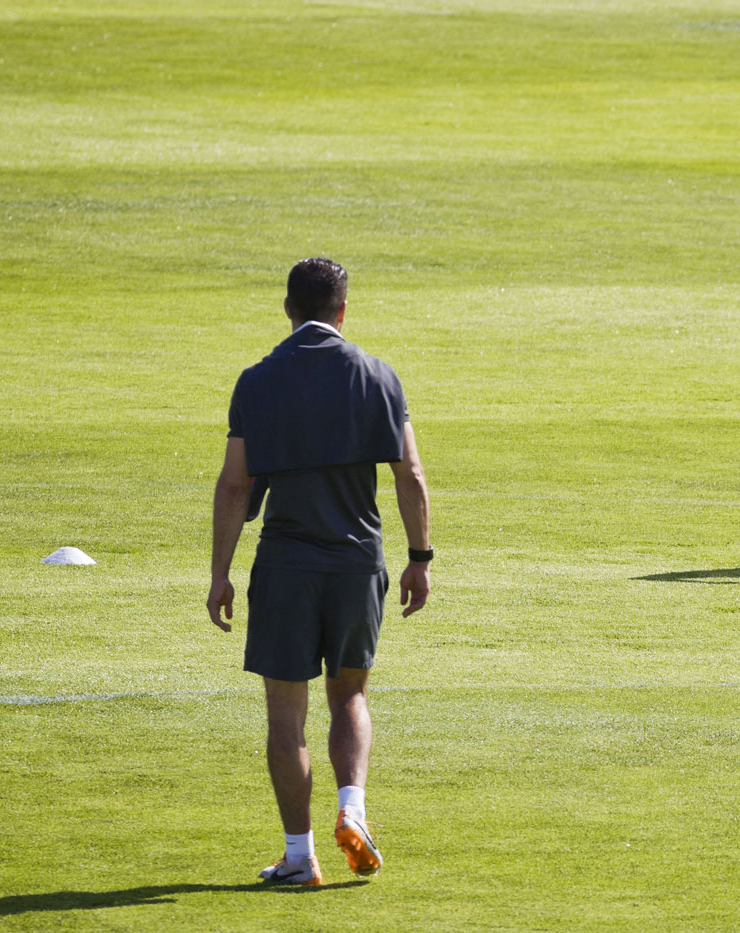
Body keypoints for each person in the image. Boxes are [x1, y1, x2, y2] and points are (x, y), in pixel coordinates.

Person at [207, 258, 433, 884]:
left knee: (286, 716)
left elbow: (235, 485)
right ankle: (353, 810)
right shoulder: (379, 376)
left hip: (285, 566)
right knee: (351, 695)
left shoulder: (257, 381)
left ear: (287, 309)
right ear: (342, 311)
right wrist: (419, 558)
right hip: (358, 565)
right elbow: (409, 474)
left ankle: (301, 855)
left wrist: (221, 572)